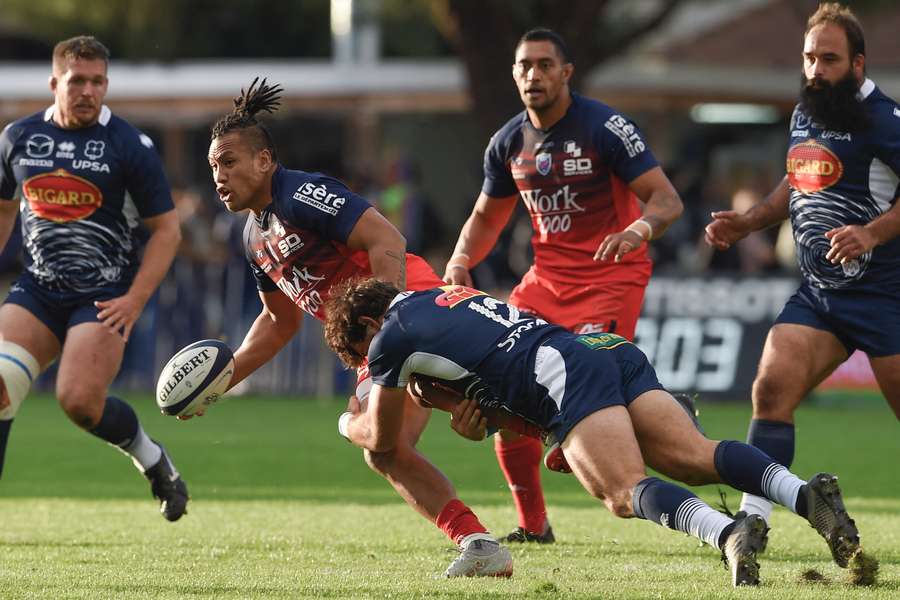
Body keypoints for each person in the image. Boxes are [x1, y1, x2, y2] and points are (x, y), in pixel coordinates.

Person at [324, 277, 867, 587]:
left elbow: (382, 438)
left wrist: (348, 420)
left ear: (368, 330)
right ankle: (804, 494)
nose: (369, 370)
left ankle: (726, 535)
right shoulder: (440, 295)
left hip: (562, 372)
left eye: (361, 361)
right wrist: (490, 422)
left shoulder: (389, 340)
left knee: (622, 491)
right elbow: (496, 373)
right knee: (693, 458)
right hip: (597, 351)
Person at [202, 78, 512, 577]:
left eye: (229, 162)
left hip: (416, 308)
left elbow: (385, 238)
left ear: (264, 161)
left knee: (483, 403)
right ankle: (480, 544)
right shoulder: (253, 236)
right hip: (381, 342)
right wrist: (219, 384)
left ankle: (586, 420)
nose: (219, 175)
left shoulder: (302, 193)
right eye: (214, 165)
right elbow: (277, 322)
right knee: (385, 447)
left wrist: (393, 321)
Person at [443, 28, 684, 543]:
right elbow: (488, 217)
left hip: (611, 276)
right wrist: (462, 258)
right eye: (524, 65)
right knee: (502, 384)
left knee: (586, 377)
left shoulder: (606, 128)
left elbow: (666, 200)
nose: (534, 75)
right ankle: (534, 525)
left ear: (566, 73)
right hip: (546, 282)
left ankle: (656, 418)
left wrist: (637, 230)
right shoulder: (508, 142)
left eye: (545, 65)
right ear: (514, 73)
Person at [705, 2, 900, 527]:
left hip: (887, 297)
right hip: (821, 295)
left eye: (829, 59)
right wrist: (748, 222)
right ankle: (753, 522)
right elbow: (799, 179)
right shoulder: (807, 111)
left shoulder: (886, 119)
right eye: (809, 58)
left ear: (858, 64)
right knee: (770, 390)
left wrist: (871, 232)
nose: (815, 70)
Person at [0, 36, 187, 520]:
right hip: (38, 288)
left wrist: (136, 300)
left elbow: (167, 232)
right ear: (54, 83)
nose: (88, 91)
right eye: (76, 81)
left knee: (79, 402)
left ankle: (151, 456)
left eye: (97, 81)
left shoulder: (129, 146)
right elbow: (3, 211)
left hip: (105, 294)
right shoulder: (17, 138)